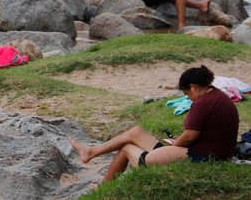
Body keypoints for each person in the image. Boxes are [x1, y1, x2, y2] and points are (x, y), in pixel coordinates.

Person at [70, 66, 238, 181]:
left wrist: (175, 144)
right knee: (134, 132)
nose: (188, 98)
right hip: (206, 149)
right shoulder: (217, 95)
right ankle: (91, 151)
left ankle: (102, 191)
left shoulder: (203, 103)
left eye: (187, 94)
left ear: (193, 87)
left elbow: (190, 136)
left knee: (127, 148)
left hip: (203, 156)